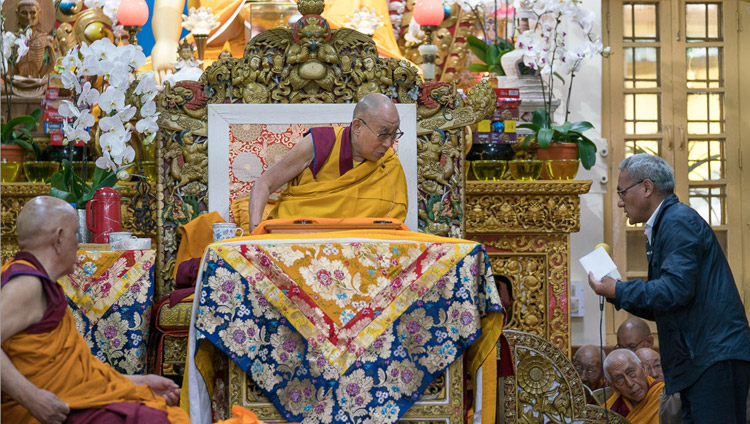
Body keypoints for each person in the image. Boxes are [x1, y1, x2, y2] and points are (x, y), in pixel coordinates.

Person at [589, 153, 750, 423]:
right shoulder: (666, 223)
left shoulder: (677, 221)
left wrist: (619, 290)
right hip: (698, 359)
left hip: (713, 357)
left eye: (622, 192)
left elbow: (675, 290)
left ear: (647, 188)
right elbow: (670, 303)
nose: (619, 202)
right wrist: (617, 292)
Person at [1, 196, 190, 424]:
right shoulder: (27, 284)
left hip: (71, 400)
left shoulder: (37, 281)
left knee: (159, 413)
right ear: (59, 238)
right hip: (44, 409)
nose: (78, 244)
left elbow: (73, 372)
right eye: (75, 234)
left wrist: (136, 382)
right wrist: (33, 399)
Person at [248, 93, 408, 231]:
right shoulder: (319, 143)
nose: (388, 144)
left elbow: (393, 224)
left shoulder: (389, 164)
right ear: (357, 126)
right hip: (296, 238)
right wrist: (255, 229)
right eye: (383, 135)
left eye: (394, 135)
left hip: (359, 249)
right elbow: (264, 183)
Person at [604, 349, 664, 424]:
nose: (630, 383)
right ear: (613, 387)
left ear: (643, 369)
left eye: (631, 372)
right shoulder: (611, 408)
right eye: (619, 379)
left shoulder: (665, 395)